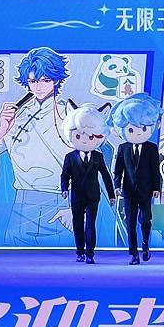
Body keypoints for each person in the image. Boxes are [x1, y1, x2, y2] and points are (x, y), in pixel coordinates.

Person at [0, 47, 76, 246]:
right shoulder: (17, 116)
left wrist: (75, 206)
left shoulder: (71, 115)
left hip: (64, 201)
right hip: (23, 203)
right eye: (33, 81)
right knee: (17, 255)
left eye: (45, 80)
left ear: (56, 80)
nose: (39, 87)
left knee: (66, 256)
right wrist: (2, 129)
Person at [110, 93, 164, 264]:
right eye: (132, 129)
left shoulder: (151, 148)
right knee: (130, 222)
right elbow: (118, 169)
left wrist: (156, 188)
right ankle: (133, 253)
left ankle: (145, 245)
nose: (138, 132)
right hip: (128, 190)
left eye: (143, 128)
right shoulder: (123, 148)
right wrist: (117, 185)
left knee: (146, 220)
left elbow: (155, 169)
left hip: (146, 190)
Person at [60, 106, 117, 263]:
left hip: (93, 196)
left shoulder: (98, 156)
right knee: (77, 224)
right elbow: (65, 175)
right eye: (79, 135)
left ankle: (90, 254)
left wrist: (111, 195)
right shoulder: (70, 157)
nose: (85, 139)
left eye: (90, 136)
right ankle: (80, 252)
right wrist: (64, 189)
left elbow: (106, 176)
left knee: (90, 225)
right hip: (77, 196)